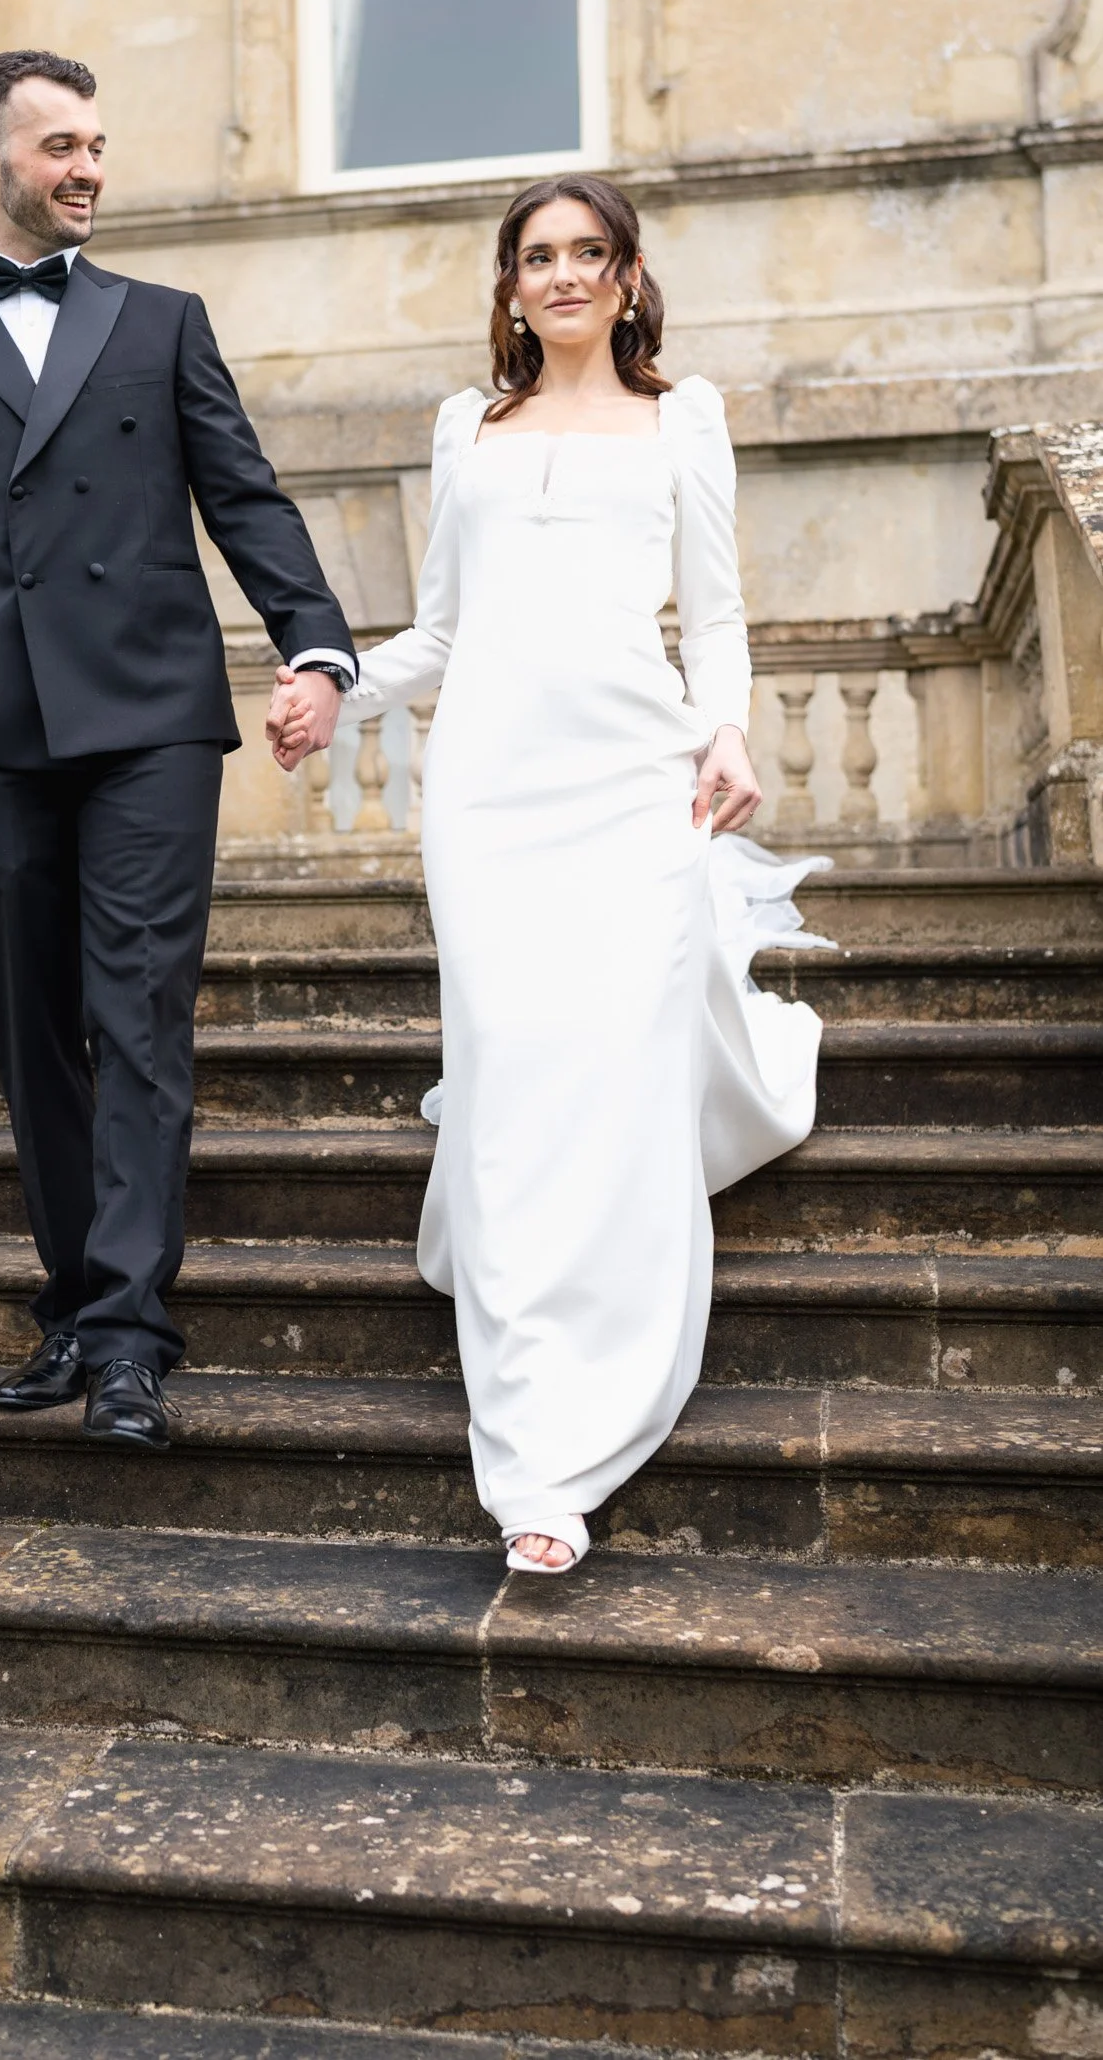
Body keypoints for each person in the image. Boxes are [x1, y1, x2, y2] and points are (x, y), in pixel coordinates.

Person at [271, 176, 824, 1573]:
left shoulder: (681, 420)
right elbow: (441, 633)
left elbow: (714, 613)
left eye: (589, 253)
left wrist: (727, 731)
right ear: (508, 284)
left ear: (627, 277)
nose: (564, 274)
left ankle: (593, 1406)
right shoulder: (467, 428)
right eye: (538, 256)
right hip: (491, 794)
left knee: (616, 1072)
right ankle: (531, 1454)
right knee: (514, 1069)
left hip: (632, 780)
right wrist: (334, 682)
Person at [0, 48, 355, 1449]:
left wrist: (312, 644)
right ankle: (73, 1301)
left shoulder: (161, 321)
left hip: (145, 718)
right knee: (34, 1036)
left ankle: (131, 1336)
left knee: (137, 1021)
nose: (86, 169)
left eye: (96, 146)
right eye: (59, 146)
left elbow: (243, 498)